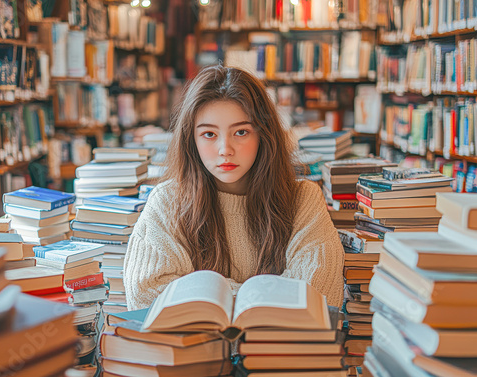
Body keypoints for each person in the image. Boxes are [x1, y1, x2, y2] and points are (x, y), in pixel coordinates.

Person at [124, 65, 345, 310]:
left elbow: (322, 297)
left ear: (264, 135)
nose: (225, 149)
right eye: (209, 134)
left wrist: (204, 293)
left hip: (279, 348)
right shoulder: (168, 201)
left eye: (241, 132)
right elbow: (144, 295)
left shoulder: (302, 200)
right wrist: (266, 294)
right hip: (196, 348)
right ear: (191, 140)